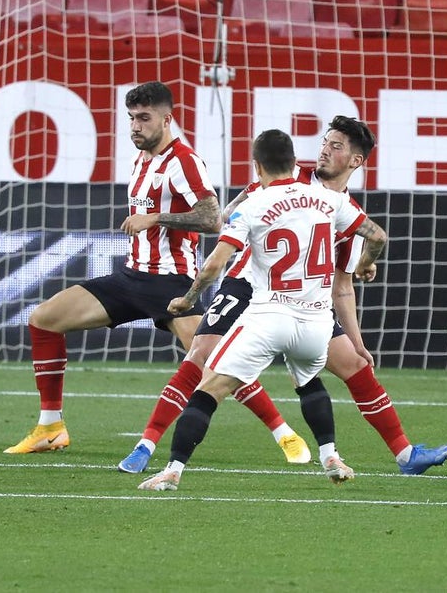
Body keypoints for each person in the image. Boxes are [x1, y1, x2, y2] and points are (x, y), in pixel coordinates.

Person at [118, 116, 447, 474]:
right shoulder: (289, 176)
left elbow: (343, 286)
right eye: (325, 142)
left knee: (355, 365)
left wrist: (356, 340)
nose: (325, 149)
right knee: (201, 353)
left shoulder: (348, 215)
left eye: (336, 146)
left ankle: (406, 455)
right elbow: (227, 216)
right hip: (247, 283)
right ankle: (146, 444)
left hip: (302, 306)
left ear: (356, 161)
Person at [4, 82, 305, 455]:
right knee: (44, 319)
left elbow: (212, 220)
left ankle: (284, 433)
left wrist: (155, 218)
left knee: (214, 360)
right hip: (132, 277)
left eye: (144, 118)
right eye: (131, 118)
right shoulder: (142, 160)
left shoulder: (184, 160)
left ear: (167, 119)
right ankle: (50, 427)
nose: (135, 126)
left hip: (170, 283)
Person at [138, 128, 388, 491]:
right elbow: (378, 236)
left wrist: (188, 300)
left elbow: (212, 265)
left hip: (269, 317)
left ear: (257, 167)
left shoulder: (254, 203)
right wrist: (367, 262)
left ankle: (172, 471)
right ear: (294, 162)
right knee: (308, 382)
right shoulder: (328, 199)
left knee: (209, 389)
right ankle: (330, 454)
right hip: (316, 323)